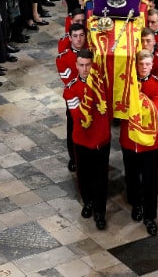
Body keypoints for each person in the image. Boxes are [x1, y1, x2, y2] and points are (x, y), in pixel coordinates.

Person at [120, 50, 158, 236]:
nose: (145, 68)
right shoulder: (126, 85)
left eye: (148, 64)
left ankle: (150, 216)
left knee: (150, 180)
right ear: (136, 65)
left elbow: (155, 110)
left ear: (152, 64)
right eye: (141, 64)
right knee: (131, 176)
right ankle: (135, 205)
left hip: (149, 143)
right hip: (129, 140)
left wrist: (135, 101)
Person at [71, 50, 111, 230]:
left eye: (88, 65)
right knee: (84, 175)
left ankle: (100, 212)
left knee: (101, 177)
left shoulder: (102, 84)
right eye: (81, 65)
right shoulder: (71, 87)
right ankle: (88, 202)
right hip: (82, 138)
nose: (85, 69)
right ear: (76, 65)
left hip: (101, 138)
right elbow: (76, 114)